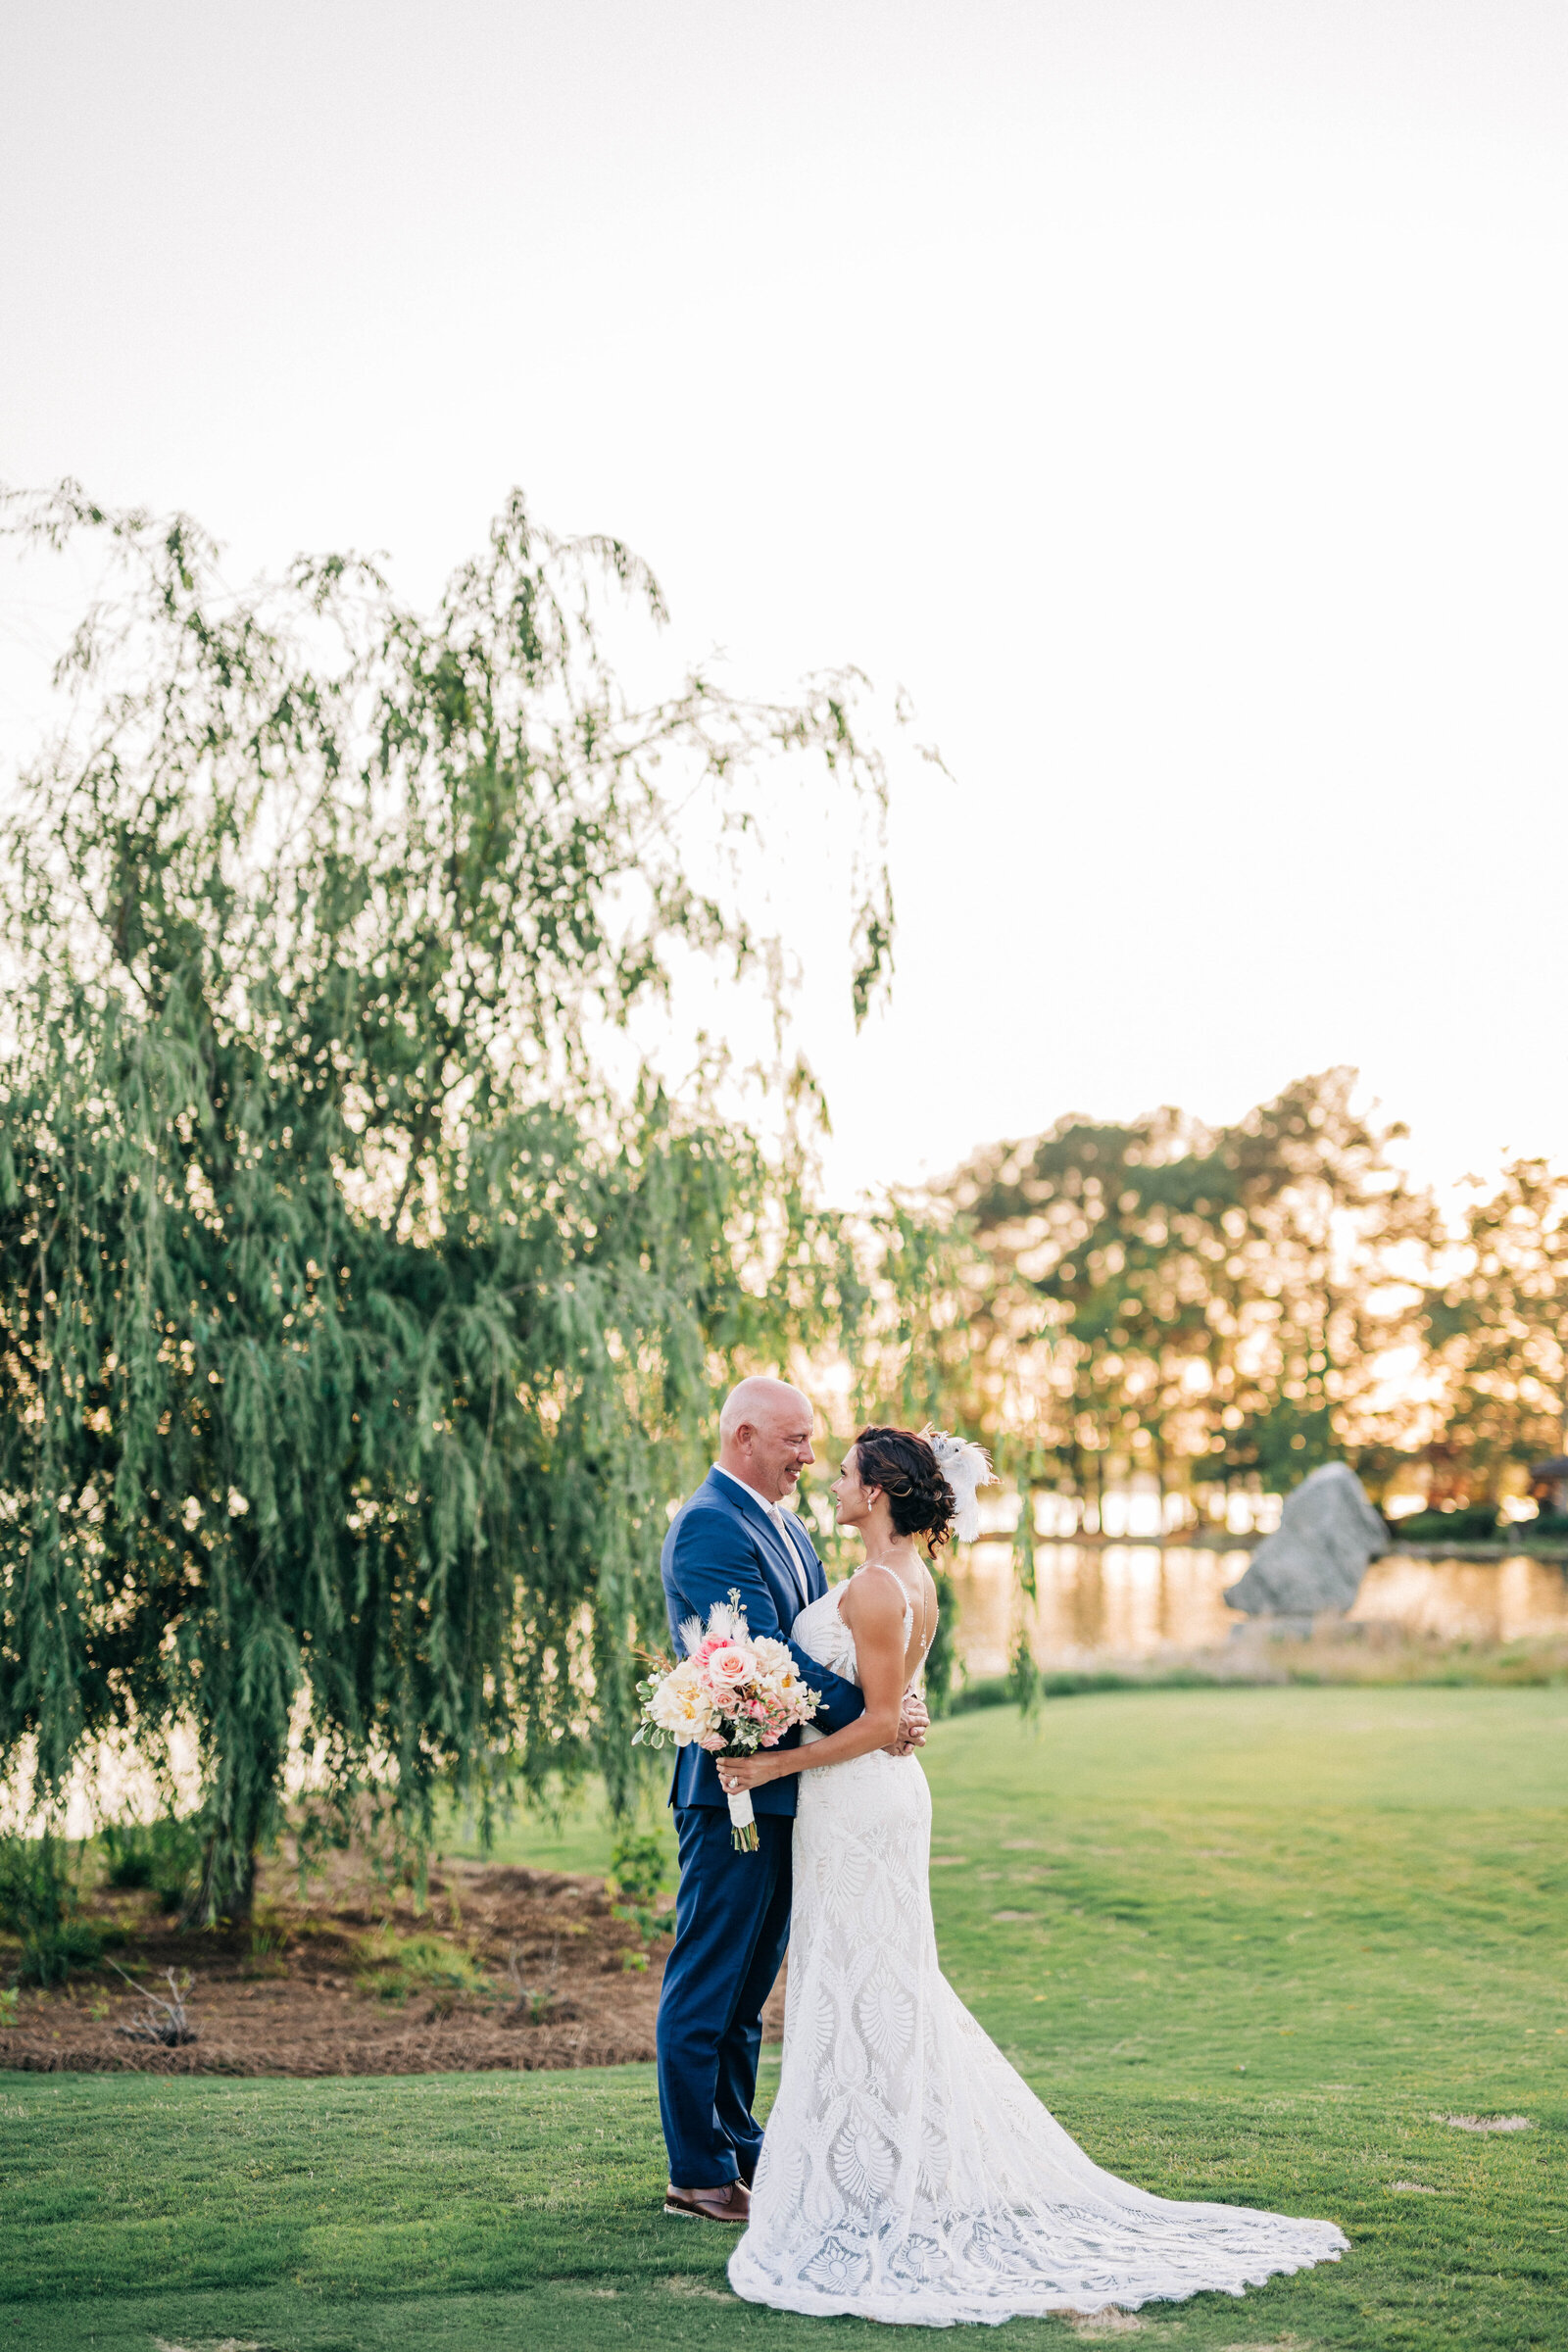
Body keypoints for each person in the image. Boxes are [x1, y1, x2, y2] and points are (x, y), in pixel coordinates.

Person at [720, 1423, 1349, 2326]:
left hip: (857, 1798)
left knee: (866, 1974)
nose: (834, 1485)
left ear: (884, 1492)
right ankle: (880, 2167)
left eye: (849, 1475)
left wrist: (767, 1767)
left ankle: (871, 2180)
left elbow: (874, 1719)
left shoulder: (869, 1585)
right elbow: (901, 1707)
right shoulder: (909, 1579)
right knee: (875, 1976)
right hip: (874, 1795)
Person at [656, 1378, 930, 2225]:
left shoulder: (786, 1522)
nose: (809, 1457)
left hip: (797, 1793)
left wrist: (895, 1702)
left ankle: (740, 2149)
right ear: (745, 1437)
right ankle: (698, 2175)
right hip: (735, 1792)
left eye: (814, 1443)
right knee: (708, 1984)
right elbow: (766, 1657)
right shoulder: (709, 1524)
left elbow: (843, 1647)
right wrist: (881, 1718)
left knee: (747, 1994)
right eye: (795, 1440)